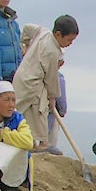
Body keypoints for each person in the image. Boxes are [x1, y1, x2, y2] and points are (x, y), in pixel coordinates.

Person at [13, 15, 78, 153]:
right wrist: (53, 97)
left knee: (23, 110)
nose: (70, 43)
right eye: (69, 40)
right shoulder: (52, 52)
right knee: (39, 110)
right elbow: (51, 78)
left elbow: (27, 28)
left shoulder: (43, 32)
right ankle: (42, 142)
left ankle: (31, 141)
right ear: (58, 34)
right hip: (33, 82)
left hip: (21, 76)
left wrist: (25, 44)